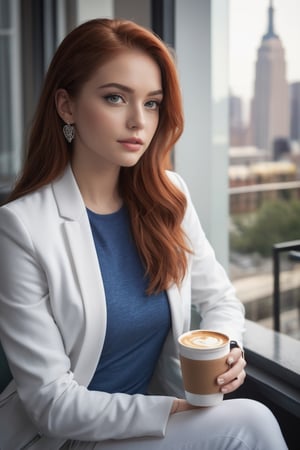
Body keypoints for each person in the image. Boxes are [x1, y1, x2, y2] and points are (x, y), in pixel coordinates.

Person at [0, 18, 287, 450]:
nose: (138, 121)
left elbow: (221, 299)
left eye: (152, 103)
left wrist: (227, 352)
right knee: (249, 422)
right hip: (67, 438)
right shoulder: (22, 227)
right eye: (115, 97)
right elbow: (52, 405)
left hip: (153, 423)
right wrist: (171, 411)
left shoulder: (169, 195)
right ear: (67, 106)